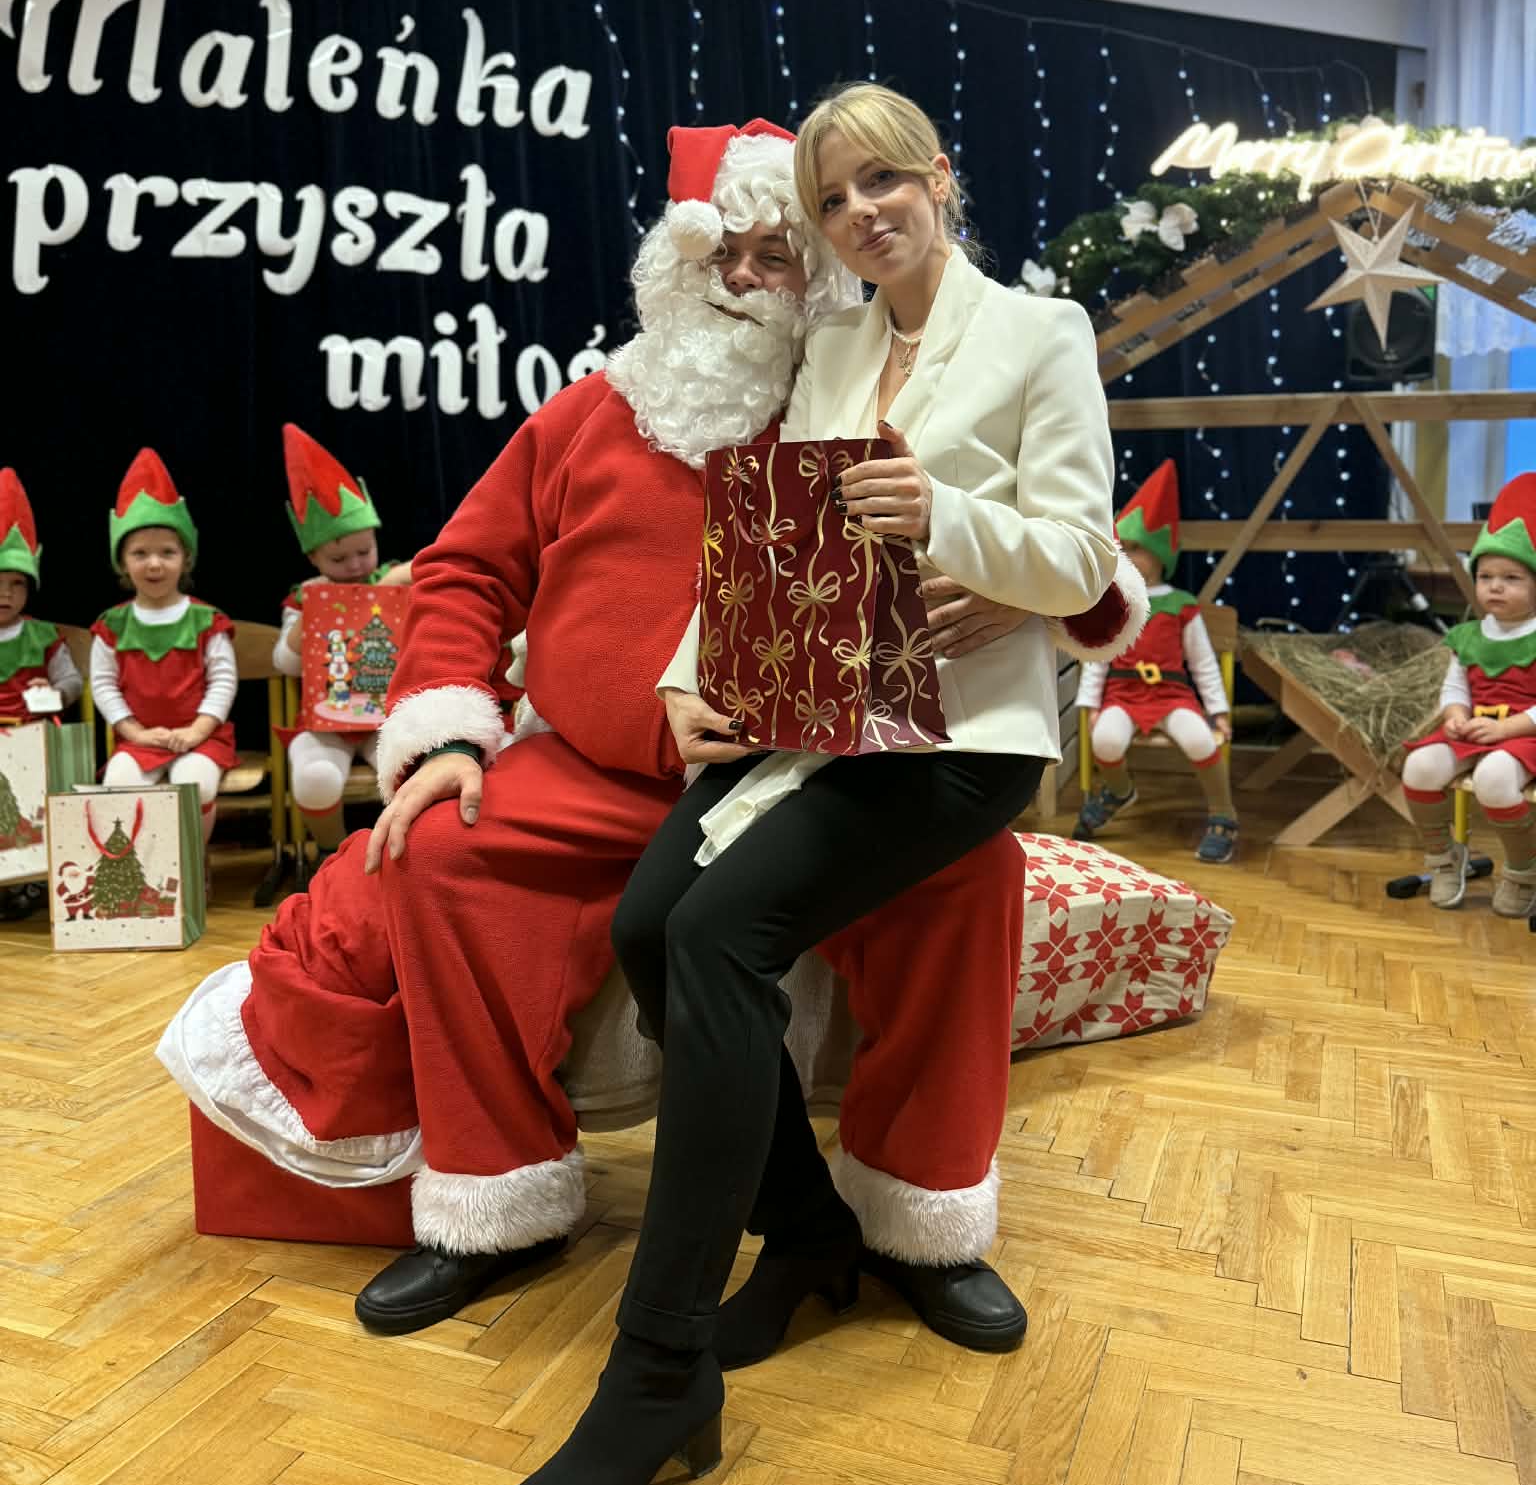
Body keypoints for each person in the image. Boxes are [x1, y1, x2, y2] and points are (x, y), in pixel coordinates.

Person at [160, 118, 1138, 1348]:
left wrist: (1035, 599)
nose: (745, 278)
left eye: (775, 256)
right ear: (673, 265)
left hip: (811, 766)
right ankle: (492, 1201)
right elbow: (464, 571)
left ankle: (918, 1222)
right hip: (592, 769)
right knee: (447, 854)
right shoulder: (586, 415)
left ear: (817, 272)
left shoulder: (852, 382)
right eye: (721, 253)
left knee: (970, 876)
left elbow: (1063, 536)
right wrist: (449, 736)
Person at [483, 83, 1123, 1485]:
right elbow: (763, 538)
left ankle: (657, 1373)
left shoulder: (1040, 334)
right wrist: (684, 674)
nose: (859, 215)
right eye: (833, 200)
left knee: (716, 935)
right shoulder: (831, 345)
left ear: (939, 176)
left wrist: (944, 517)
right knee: (653, 925)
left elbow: (1084, 557)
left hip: (959, 739)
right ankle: (818, 1234)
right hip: (818, 713)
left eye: (881, 182)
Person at [1073, 459, 1237, 862]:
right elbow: (1098, 656)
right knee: (1105, 740)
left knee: (1200, 740)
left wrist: (1218, 711)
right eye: (1121, 548)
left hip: (1171, 694)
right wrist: (1091, 705)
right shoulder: (1115, 601)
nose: (1124, 555)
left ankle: (1223, 813)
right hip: (1123, 693)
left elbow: (1203, 663)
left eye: (1134, 549)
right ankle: (1120, 790)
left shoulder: (1181, 605)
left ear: (1159, 553)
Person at [273, 423, 412, 859]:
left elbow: (436, 569)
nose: (354, 565)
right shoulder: (305, 596)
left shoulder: (391, 579)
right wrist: (307, 619)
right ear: (313, 556)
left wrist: (400, 578)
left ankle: (406, 852)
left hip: (385, 716)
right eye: (338, 558)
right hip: (324, 722)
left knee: (412, 766)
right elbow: (284, 663)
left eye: (364, 552)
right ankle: (332, 854)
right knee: (314, 777)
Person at [1402, 469, 1536, 915]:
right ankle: (1444, 858)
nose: (1495, 586)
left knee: (1494, 779)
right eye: (1486, 575)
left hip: (1525, 734)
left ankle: (1523, 870)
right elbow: (1455, 686)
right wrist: (1455, 715)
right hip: (1477, 729)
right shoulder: (1469, 635)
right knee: (1420, 767)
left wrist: (1508, 729)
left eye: (1512, 578)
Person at [92, 449, 238, 850]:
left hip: (201, 737)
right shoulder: (111, 626)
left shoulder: (206, 620)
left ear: (185, 559)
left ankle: (192, 864)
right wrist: (134, 732)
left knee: (194, 785)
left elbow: (223, 681)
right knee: (118, 783)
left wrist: (197, 731)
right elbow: (103, 685)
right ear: (122, 562)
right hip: (140, 739)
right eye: (140, 553)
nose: (154, 564)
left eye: (167, 553)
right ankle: (148, 872)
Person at [0, 466, 83, 920]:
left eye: (16, 584)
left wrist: (51, 689)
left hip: (32, 741)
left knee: (32, 804)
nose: (6, 594)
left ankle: (29, 882)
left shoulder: (43, 635)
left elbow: (72, 683)